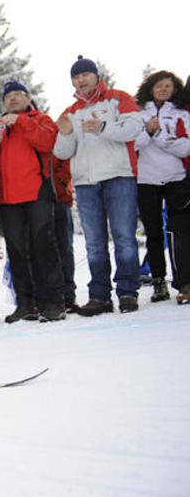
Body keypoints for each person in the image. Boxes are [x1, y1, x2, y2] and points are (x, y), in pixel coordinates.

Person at [54, 56, 144, 316]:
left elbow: (133, 128)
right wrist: (66, 133)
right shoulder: (69, 112)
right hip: (85, 183)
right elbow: (62, 152)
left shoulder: (118, 98)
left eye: (85, 75)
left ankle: (127, 292)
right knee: (94, 243)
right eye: (76, 77)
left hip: (119, 176)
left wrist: (103, 126)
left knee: (124, 238)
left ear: (96, 76)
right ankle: (99, 296)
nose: (81, 80)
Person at [0, 80, 65, 323]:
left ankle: (53, 302)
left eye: (19, 94)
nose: (14, 99)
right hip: (8, 198)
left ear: (28, 98)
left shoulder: (41, 119)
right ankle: (26, 304)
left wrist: (21, 122)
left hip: (37, 193)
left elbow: (48, 143)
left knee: (44, 247)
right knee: (17, 252)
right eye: (9, 96)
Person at [134, 71, 190, 302]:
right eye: (159, 85)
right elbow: (133, 143)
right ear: (151, 87)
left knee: (178, 232)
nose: (164, 89)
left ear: (175, 89)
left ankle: (183, 281)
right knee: (154, 232)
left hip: (176, 178)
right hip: (146, 179)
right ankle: (158, 281)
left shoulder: (181, 113)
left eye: (169, 86)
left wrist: (156, 134)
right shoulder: (137, 112)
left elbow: (185, 147)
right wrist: (148, 132)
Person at [51, 156, 78, 313]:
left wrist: (59, 180)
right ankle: (46, 296)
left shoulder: (59, 131)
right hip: (34, 198)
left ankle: (68, 295)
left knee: (64, 248)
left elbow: (69, 156)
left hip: (59, 197)